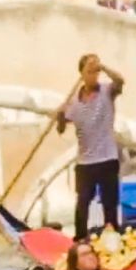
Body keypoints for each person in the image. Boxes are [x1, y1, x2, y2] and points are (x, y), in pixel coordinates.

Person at [55, 54, 125, 239]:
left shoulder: (107, 91)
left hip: (108, 158)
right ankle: (80, 239)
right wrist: (60, 115)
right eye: (90, 72)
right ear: (82, 74)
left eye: (96, 72)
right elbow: (60, 129)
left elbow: (120, 80)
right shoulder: (74, 103)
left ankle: (112, 238)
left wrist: (103, 66)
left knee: (110, 204)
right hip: (85, 161)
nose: (94, 76)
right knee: (82, 202)